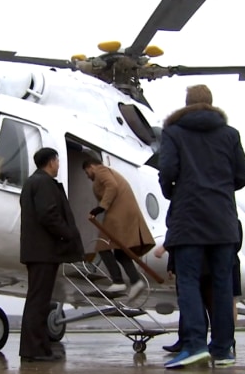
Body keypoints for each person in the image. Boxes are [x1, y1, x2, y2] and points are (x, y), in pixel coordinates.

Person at [158, 84, 245, 369]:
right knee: (223, 285)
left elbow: (168, 172)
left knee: (189, 282)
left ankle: (195, 345)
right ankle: (224, 350)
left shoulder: (173, 133)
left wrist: (173, 191)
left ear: (187, 104)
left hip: (189, 219)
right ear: (211, 103)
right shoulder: (229, 134)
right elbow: (243, 174)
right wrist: (222, 189)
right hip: (223, 220)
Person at [19, 147, 84, 362]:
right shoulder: (44, 183)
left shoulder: (30, 183)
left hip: (35, 251)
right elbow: (48, 214)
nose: (58, 165)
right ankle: (35, 350)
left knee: (36, 299)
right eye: (57, 161)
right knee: (39, 301)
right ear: (51, 162)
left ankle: (34, 348)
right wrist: (68, 235)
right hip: (44, 251)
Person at [158, 219, 244, 353]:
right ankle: (200, 342)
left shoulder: (224, 219)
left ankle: (215, 342)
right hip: (203, 264)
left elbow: (235, 243)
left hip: (212, 265)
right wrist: (172, 263)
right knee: (193, 302)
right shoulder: (221, 216)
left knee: (213, 304)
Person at [83, 158, 155, 301]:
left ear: (91, 166)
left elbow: (112, 186)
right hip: (123, 213)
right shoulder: (107, 173)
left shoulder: (101, 171)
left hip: (118, 214)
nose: (87, 175)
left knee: (102, 245)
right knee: (121, 253)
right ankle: (135, 281)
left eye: (86, 172)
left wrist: (100, 208)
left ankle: (118, 282)